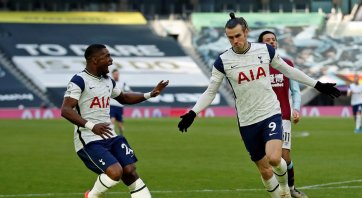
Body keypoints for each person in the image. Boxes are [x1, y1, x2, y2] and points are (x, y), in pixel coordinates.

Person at [177, 13, 340, 198]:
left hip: (270, 112)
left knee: (274, 158)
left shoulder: (264, 51)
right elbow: (211, 91)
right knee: (264, 171)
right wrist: (193, 112)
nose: (235, 41)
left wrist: (317, 84)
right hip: (247, 121)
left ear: (246, 32)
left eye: (238, 36)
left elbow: (289, 70)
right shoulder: (222, 61)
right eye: (230, 38)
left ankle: (286, 190)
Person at [61, 44, 169, 198]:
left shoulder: (107, 80)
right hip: (89, 139)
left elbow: (123, 97)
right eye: (107, 56)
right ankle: (91, 196)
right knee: (115, 172)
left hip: (111, 136)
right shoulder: (79, 81)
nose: (111, 61)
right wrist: (91, 126)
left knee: (130, 171)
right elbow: (65, 110)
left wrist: (149, 94)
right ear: (95, 60)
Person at [258, 30, 307, 198]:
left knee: (284, 158)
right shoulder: (257, 67)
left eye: (273, 39)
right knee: (268, 159)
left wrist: (297, 108)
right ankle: (281, 191)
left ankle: (290, 189)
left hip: (283, 116)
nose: (271, 42)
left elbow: (295, 90)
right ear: (261, 44)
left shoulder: (286, 63)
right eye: (267, 40)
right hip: (262, 117)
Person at [110, 68, 131, 136]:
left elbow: (129, 91)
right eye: (115, 74)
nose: (116, 75)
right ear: (112, 75)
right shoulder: (110, 82)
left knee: (120, 125)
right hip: (111, 105)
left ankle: (121, 136)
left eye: (117, 74)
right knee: (112, 120)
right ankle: (112, 136)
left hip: (119, 106)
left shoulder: (123, 83)